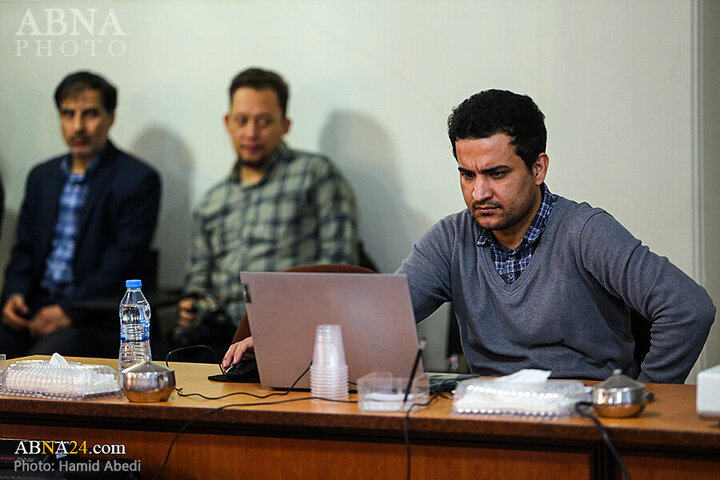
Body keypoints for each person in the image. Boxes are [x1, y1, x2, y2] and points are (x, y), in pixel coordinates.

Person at [224, 89, 715, 384]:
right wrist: (275, 343)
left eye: (497, 173)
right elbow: (375, 319)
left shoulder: (585, 231)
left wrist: (644, 396)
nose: (478, 192)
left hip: (583, 419)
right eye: (466, 174)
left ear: (538, 167)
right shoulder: (450, 239)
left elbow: (689, 308)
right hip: (488, 415)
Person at [177, 68, 358, 359]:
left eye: (264, 122)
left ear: (285, 125)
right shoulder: (211, 201)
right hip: (221, 334)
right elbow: (197, 281)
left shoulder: (315, 174)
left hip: (293, 329)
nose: (251, 133)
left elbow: (339, 269)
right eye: (242, 121)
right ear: (228, 123)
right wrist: (192, 302)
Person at [0, 71, 161, 358]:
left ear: (111, 117)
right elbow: (24, 249)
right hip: (36, 307)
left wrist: (70, 309)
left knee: (48, 365)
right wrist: (14, 294)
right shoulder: (42, 177)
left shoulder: (137, 179)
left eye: (90, 114)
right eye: (68, 114)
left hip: (94, 316)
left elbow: (123, 260)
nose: (78, 126)